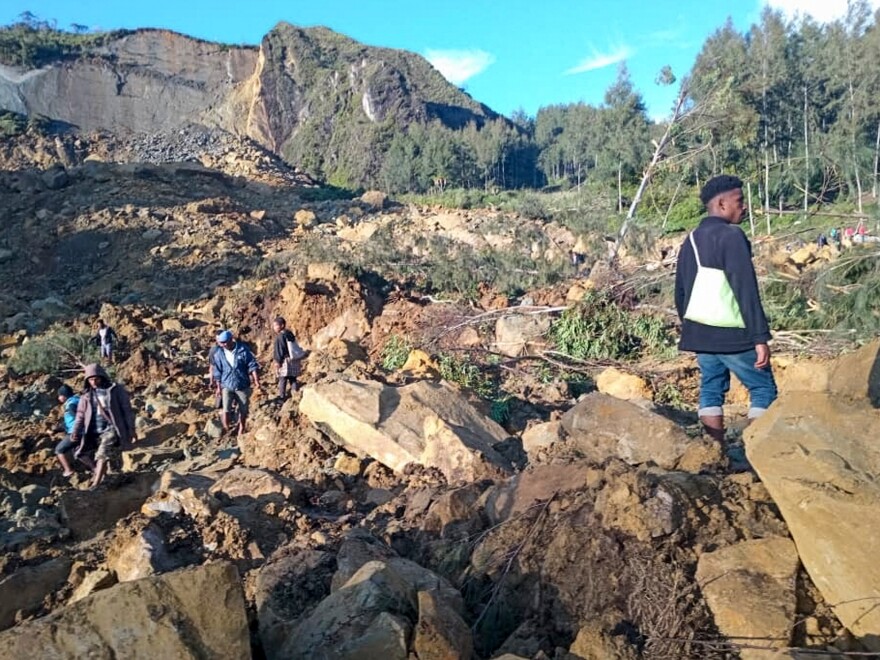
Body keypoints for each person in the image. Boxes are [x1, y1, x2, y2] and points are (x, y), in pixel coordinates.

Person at [675, 175, 778, 442]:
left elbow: (681, 292)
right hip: (734, 335)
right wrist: (760, 338)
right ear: (721, 204)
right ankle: (755, 453)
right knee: (763, 388)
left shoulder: (692, 239)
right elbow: (745, 289)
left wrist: (692, 329)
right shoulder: (732, 236)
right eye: (739, 201)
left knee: (710, 389)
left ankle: (714, 452)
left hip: (700, 333)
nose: (744, 207)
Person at [70, 364, 137, 489]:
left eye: (96, 379)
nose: (94, 382)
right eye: (91, 379)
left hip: (112, 428)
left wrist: (131, 429)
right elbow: (80, 415)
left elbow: (127, 410)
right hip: (94, 431)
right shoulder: (86, 396)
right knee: (85, 454)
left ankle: (96, 483)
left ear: (102, 377)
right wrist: (76, 431)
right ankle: (112, 478)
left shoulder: (115, 390)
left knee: (102, 453)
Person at [210, 329, 262, 436]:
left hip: (242, 384)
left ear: (230, 340)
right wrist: (218, 388)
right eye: (221, 343)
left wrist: (256, 381)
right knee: (226, 408)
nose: (223, 345)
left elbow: (252, 365)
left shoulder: (243, 350)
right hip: (227, 385)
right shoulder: (219, 354)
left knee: (243, 409)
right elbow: (217, 372)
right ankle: (226, 428)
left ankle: (241, 428)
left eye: (225, 342)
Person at [53, 384, 96, 477]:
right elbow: (70, 422)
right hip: (85, 431)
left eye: (59, 395)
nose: (59, 398)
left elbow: (77, 418)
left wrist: (76, 431)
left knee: (59, 450)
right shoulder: (77, 401)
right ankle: (96, 469)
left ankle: (68, 470)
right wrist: (56, 430)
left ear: (64, 396)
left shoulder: (71, 404)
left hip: (76, 433)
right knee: (79, 453)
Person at [272, 317, 306, 400]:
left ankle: (282, 397)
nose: (274, 327)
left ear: (282, 325)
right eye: (274, 326)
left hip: (284, 360)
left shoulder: (280, 336)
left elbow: (279, 350)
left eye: (276, 325)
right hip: (293, 359)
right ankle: (295, 394)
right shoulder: (289, 333)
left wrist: (278, 362)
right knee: (292, 378)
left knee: (282, 378)